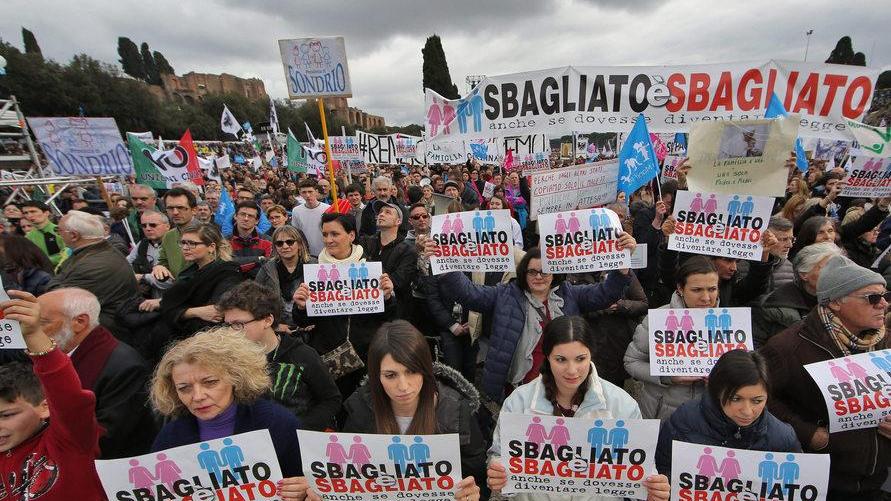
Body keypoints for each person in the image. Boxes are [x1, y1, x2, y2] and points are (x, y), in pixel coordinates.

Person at [487, 316, 670, 501]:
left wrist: (652, 488)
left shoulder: (622, 405)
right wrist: (497, 471)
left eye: (580, 359)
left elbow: (639, 467)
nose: (572, 370)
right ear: (548, 357)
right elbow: (499, 454)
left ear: (591, 354)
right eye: (561, 360)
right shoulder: (519, 402)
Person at [438, 241, 636, 404]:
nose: (539, 276)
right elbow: (470, 293)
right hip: (521, 385)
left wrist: (623, 264)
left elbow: (605, 293)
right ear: (523, 273)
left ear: (554, 273)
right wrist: (443, 262)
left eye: (545, 271)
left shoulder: (569, 293)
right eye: (532, 272)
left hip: (564, 385)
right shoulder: (505, 294)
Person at [760, 255, 891, 499]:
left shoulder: (886, 341)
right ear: (836, 302)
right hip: (821, 483)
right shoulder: (788, 347)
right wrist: (809, 434)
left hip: (878, 481)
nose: (883, 304)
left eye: (885, 296)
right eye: (872, 298)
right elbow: (760, 398)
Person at [335, 321, 483, 501]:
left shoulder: (458, 410)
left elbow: (478, 479)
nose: (403, 386)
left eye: (412, 371)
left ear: (426, 369)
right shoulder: (359, 409)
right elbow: (347, 479)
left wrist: (473, 494)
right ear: (376, 376)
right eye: (390, 375)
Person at [149, 327, 304, 495]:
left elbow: (304, 480)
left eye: (210, 382)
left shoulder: (278, 424)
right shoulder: (170, 438)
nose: (198, 396)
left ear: (235, 378)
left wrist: (304, 489)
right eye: (184, 388)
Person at [0, 290, 106, 500]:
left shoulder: (70, 440)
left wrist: (33, 335)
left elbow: (68, 396)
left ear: (45, 406)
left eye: (7, 415)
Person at [38, 287, 156, 459]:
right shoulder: (51, 352)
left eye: (42, 323)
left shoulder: (125, 368)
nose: (29, 331)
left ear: (79, 322)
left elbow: (108, 437)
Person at [292, 213, 397, 398]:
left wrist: (387, 297)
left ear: (351, 235)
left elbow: (387, 316)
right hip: (330, 354)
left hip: (366, 353)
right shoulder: (314, 271)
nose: (328, 240)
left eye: (334, 234)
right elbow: (303, 320)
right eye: (324, 235)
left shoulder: (371, 268)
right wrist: (300, 306)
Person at [655, 350, 800, 477]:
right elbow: (663, 469)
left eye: (757, 401)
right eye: (736, 399)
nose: (747, 411)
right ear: (717, 391)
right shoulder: (684, 421)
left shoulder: (783, 439)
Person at [218, 281, 341, 430]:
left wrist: (299, 428)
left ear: (267, 320)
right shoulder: (227, 359)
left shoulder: (302, 355)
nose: (231, 332)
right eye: (227, 325)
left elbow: (331, 399)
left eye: (238, 324)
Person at [625, 256, 716, 420]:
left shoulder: (730, 323)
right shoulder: (658, 319)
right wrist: (667, 377)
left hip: (707, 419)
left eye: (712, 289)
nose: (706, 298)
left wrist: (721, 380)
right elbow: (631, 362)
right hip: (661, 415)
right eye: (697, 290)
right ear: (680, 288)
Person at [46, 210, 137, 338]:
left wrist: (57, 277)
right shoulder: (96, 251)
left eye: (59, 231)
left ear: (73, 235)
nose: (58, 235)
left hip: (106, 334)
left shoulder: (94, 264)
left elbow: (57, 299)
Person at [753, 242, 844, 347]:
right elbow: (757, 350)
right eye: (826, 268)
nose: (834, 273)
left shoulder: (847, 302)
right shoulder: (770, 306)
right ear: (804, 274)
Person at [359, 201, 418, 318]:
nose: (381, 214)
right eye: (380, 212)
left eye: (387, 212)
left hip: (395, 311)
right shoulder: (365, 243)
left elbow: (399, 281)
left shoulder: (408, 250)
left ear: (398, 221)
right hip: (366, 309)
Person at [256, 225, 314, 328]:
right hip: (278, 326)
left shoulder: (315, 266)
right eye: (279, 243)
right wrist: (276, 326)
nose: (285, 246)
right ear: (275, 247)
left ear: (299, 244)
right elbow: (256, 301)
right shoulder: (266, 269)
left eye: (290, 242)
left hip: (310, 324)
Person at [153, 187, 200, 280]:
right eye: (170, 208)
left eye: (180, 208)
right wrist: (159, 267)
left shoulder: (209, 233)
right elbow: (163, 261)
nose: (175, 212)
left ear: (194, 210)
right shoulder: (168, 236)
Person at [127, 210, 171, 295]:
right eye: (144, 225)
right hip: (147, 297)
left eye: (153, 225)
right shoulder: (143, 244)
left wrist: (143, 277)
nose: (148, 228)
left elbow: (170, 281)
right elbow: (127, 264)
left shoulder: (176, 245)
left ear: (167, 226)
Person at [838, 199, 891, 269]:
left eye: (877, 229)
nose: (876, 232)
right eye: (871, 230)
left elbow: (865, 222)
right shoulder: (850, 252)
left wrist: (884, 203)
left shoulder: (874, 251)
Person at [229, 201, 273, 274]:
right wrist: (259, 259)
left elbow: (268, 268)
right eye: (242, 214)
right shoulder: (225, 242)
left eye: (250, 216)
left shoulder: (268, 241)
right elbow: (226, 265)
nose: (246, 219)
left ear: (257, 221)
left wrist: (238, 263)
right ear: (235, 216)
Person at [291, 180, 330, 257]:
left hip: (326, 252)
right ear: (300, 193)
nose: (307, 195)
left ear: (316, 191)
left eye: (310, 191)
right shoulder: (296, 211)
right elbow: (296, 233)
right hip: (306, 253)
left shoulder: (327, 209)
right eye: (304, 192)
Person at [21, 200, 65, 267]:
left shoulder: (61, 231)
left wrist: (42, 261)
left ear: (46, 213)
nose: (29, 215)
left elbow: (67, 255)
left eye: (33, 211)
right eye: (26, 213)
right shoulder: (28, 237)